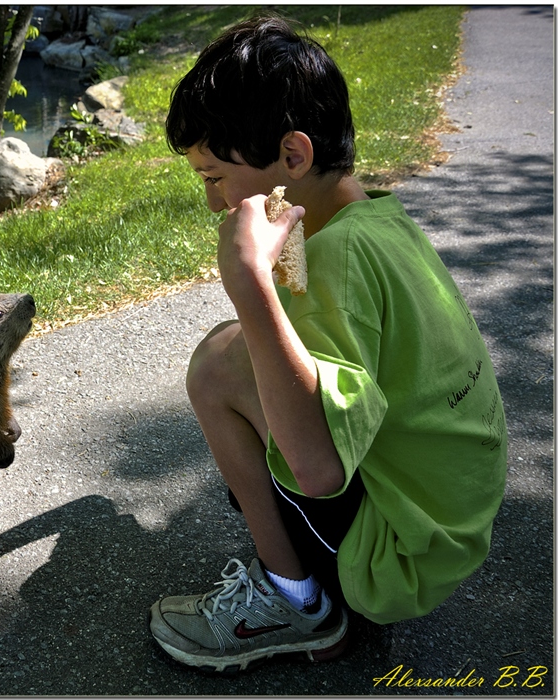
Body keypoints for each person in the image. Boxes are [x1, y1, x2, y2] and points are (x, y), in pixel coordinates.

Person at [147, 15, 507, 673]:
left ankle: (296, 605)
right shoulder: (372, 218)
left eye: (214, 176)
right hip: (449, 519)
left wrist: (250, 285)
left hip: (398, 556)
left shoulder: (334, 260)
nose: (213, 203)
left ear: (292, 156)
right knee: (236, 350)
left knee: (216, 369)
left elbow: (318, 471)